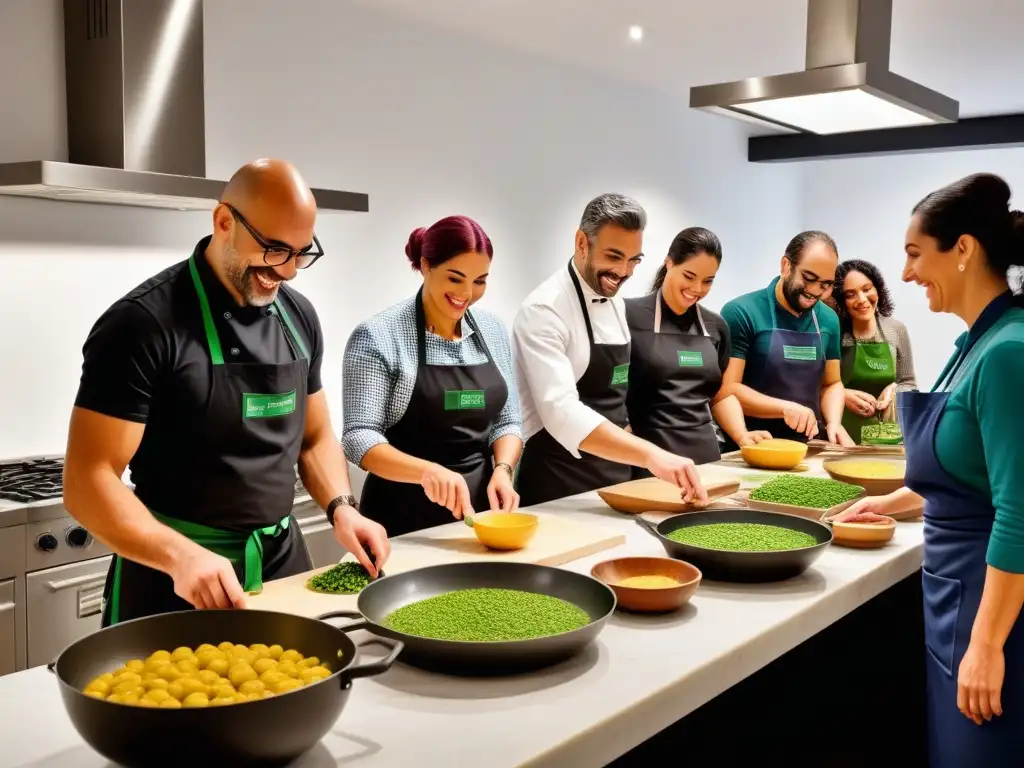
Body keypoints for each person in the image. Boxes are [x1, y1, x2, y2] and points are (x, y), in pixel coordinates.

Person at [63, 159, 390, 626]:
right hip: (172, 578)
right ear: (223, 222)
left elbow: (315, 439)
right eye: (277, 249)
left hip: (280, 567)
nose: (291, 272)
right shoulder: (141, 324)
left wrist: (343, 507)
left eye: (302, 253)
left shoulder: (299, 318)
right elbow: (87, 481)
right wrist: (179, 557)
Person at [838, 173, 1024, 766]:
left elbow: (1018, 511)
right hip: (954, 597)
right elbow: (966, 477)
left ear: (963, 250)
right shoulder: (971, 345)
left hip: (988, 607)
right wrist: (888, 504)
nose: (909, 273)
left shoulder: (1008, 354)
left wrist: (988, 644)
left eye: (916, 254)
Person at [512, 193, 708, 507]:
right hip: (559, 480)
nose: (624, 271)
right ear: (581, 243)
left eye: (634, 260)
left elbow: (616, 396)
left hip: (615, 475)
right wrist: (649, 454)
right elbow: (561, 412)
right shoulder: (544, 310)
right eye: (614, 257)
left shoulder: (614, 297)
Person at [341, 215, 522, 536]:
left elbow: (507, 421)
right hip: (400, 519)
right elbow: (358, 437)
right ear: (425, 266)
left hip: (479, 516)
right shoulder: (378, 335)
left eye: (479, 281)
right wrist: (427, 472)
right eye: (455, 278)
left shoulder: (492, 330)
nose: (467, 293)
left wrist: (504, 471)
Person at [624, 227, 771, 468]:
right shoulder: (628, 316)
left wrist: (742, 435)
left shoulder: (717, 327)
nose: (697, 289)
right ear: (669, 263)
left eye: (708, 281)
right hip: (651, 462)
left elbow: (719, 396)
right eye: (689, 276)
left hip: (706, 461)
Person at [720, 231, 854, 447]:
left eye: (825, 284)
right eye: (808, 278)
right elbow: (728, 389)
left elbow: (832, 383)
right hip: (755, 444)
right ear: (786, 266)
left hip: (809, 447)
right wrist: (784, 409)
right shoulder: (741, 312)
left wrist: (834, 423)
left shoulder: (828, 319)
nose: (814, 291)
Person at [832, 259, 918, 443]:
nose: (862, 299)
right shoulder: (834, 332)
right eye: (850, 294)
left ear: (878, 289)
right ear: (841, 300)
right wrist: (843, 395)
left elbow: (909, 382)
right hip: (843, 438)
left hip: (889, 438)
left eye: (867, 289)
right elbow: (817, 385)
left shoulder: (896, 330)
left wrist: (894, 390)